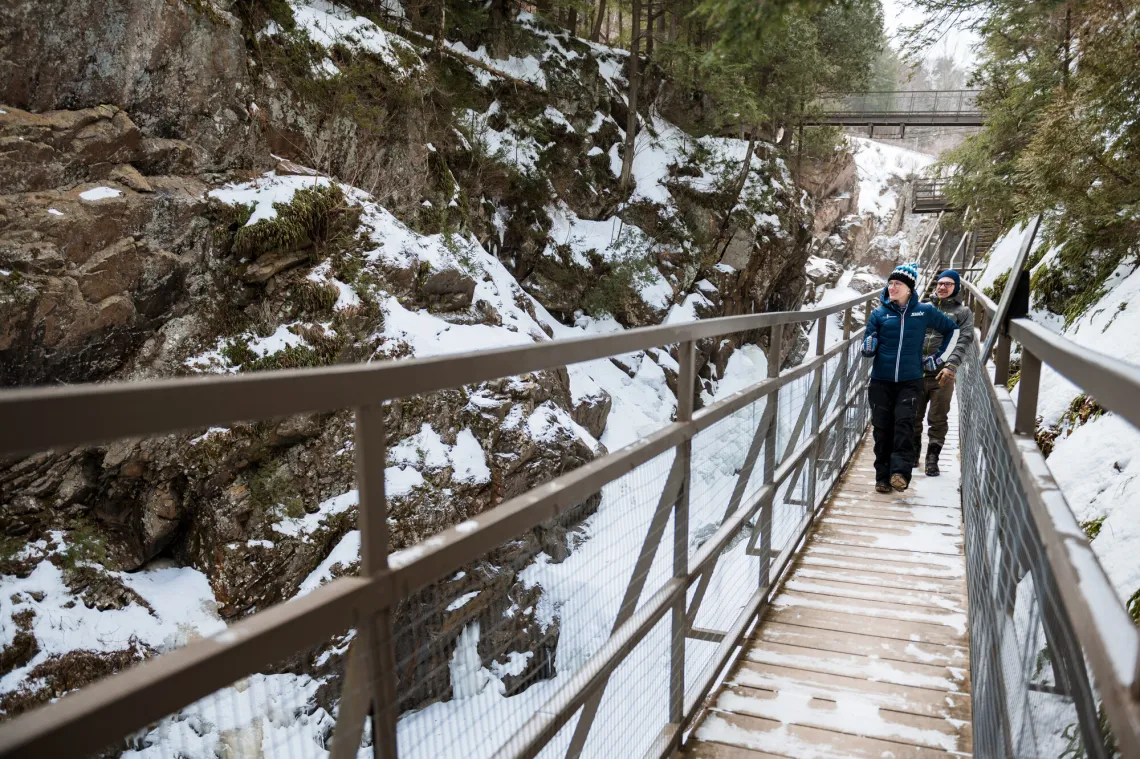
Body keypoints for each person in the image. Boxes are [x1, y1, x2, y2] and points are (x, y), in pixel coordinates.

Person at [861, 263, 960, 493]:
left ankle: (900, 474)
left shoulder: (924, 311)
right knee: (881, 428)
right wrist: (868, 346)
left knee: (904, 425)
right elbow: (868, 344)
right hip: (881, 381)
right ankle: (882, 478)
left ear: (909, 288)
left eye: (897, 284)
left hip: (910, 380)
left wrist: (938, 359)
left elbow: (952, 330)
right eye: (890, 283)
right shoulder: (879, 313)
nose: (891, 287)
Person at [915, 269, 975, 477]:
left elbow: (964, 339)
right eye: (940, 283)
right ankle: (913, 453)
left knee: (938, 417)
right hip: (915, 371)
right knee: (912, 415)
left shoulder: (963, 313)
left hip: (942, 374)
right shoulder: (922, 308)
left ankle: (932, 458)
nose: (942, 287)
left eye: (948, 284)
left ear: (956, 288)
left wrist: (951, 366)